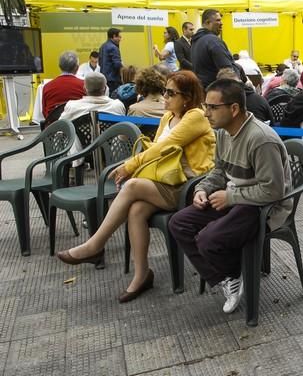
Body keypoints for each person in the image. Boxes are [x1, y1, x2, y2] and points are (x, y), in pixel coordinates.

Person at [56, 71, 216, 303]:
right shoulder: (167, 117)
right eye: (164, 91)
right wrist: (131, 165)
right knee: (136, 210)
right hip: (164, 181)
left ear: (188, 97)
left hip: (189, 186)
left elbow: (164, 147)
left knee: (130, 186)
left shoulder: (195, 117)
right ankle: (142, 275)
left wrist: (129, 166)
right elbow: (156, 153)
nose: (165, 97)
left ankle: (95, 244)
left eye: (171, 93)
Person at [168, 78, 292, 313]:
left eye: (212, 108)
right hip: (235, 198)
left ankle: (231, 270)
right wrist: (202, 189)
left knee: (208, 239)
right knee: (179, 223)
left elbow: (273, 191)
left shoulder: (260, 139)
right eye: (206, 107)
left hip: (263, 207)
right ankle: (228, 276)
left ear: (234, 109)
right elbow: (219, 171)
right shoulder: (223, 133)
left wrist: (231, 197)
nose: (206, 114)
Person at [191, 9, 234, 88]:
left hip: (202, 90)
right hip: (217, 91)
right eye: (218, 20)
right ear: (208, 22)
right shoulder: (213, 41)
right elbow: (227, 71)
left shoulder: (196, 41)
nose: (221, 23)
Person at [59, 72, 126, 122]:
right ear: (105, 89)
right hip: (109, 141)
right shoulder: (118, 106)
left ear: (84, 89)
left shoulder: (72, 106)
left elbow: (60, 128)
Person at [42, 51, 85, 119]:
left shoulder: (47, 87)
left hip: (54, 127)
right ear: (77, 68)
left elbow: (44, 112)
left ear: (59, 66)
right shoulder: (84, 85)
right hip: (77, 126)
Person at [99, 27, 123, 95]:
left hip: (103, 78)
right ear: (114, 36)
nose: (120, 39)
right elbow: (117, 64)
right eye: (119, 37)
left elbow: (100, 63)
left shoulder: (102, 46)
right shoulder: (114, 48)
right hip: (113, 80)